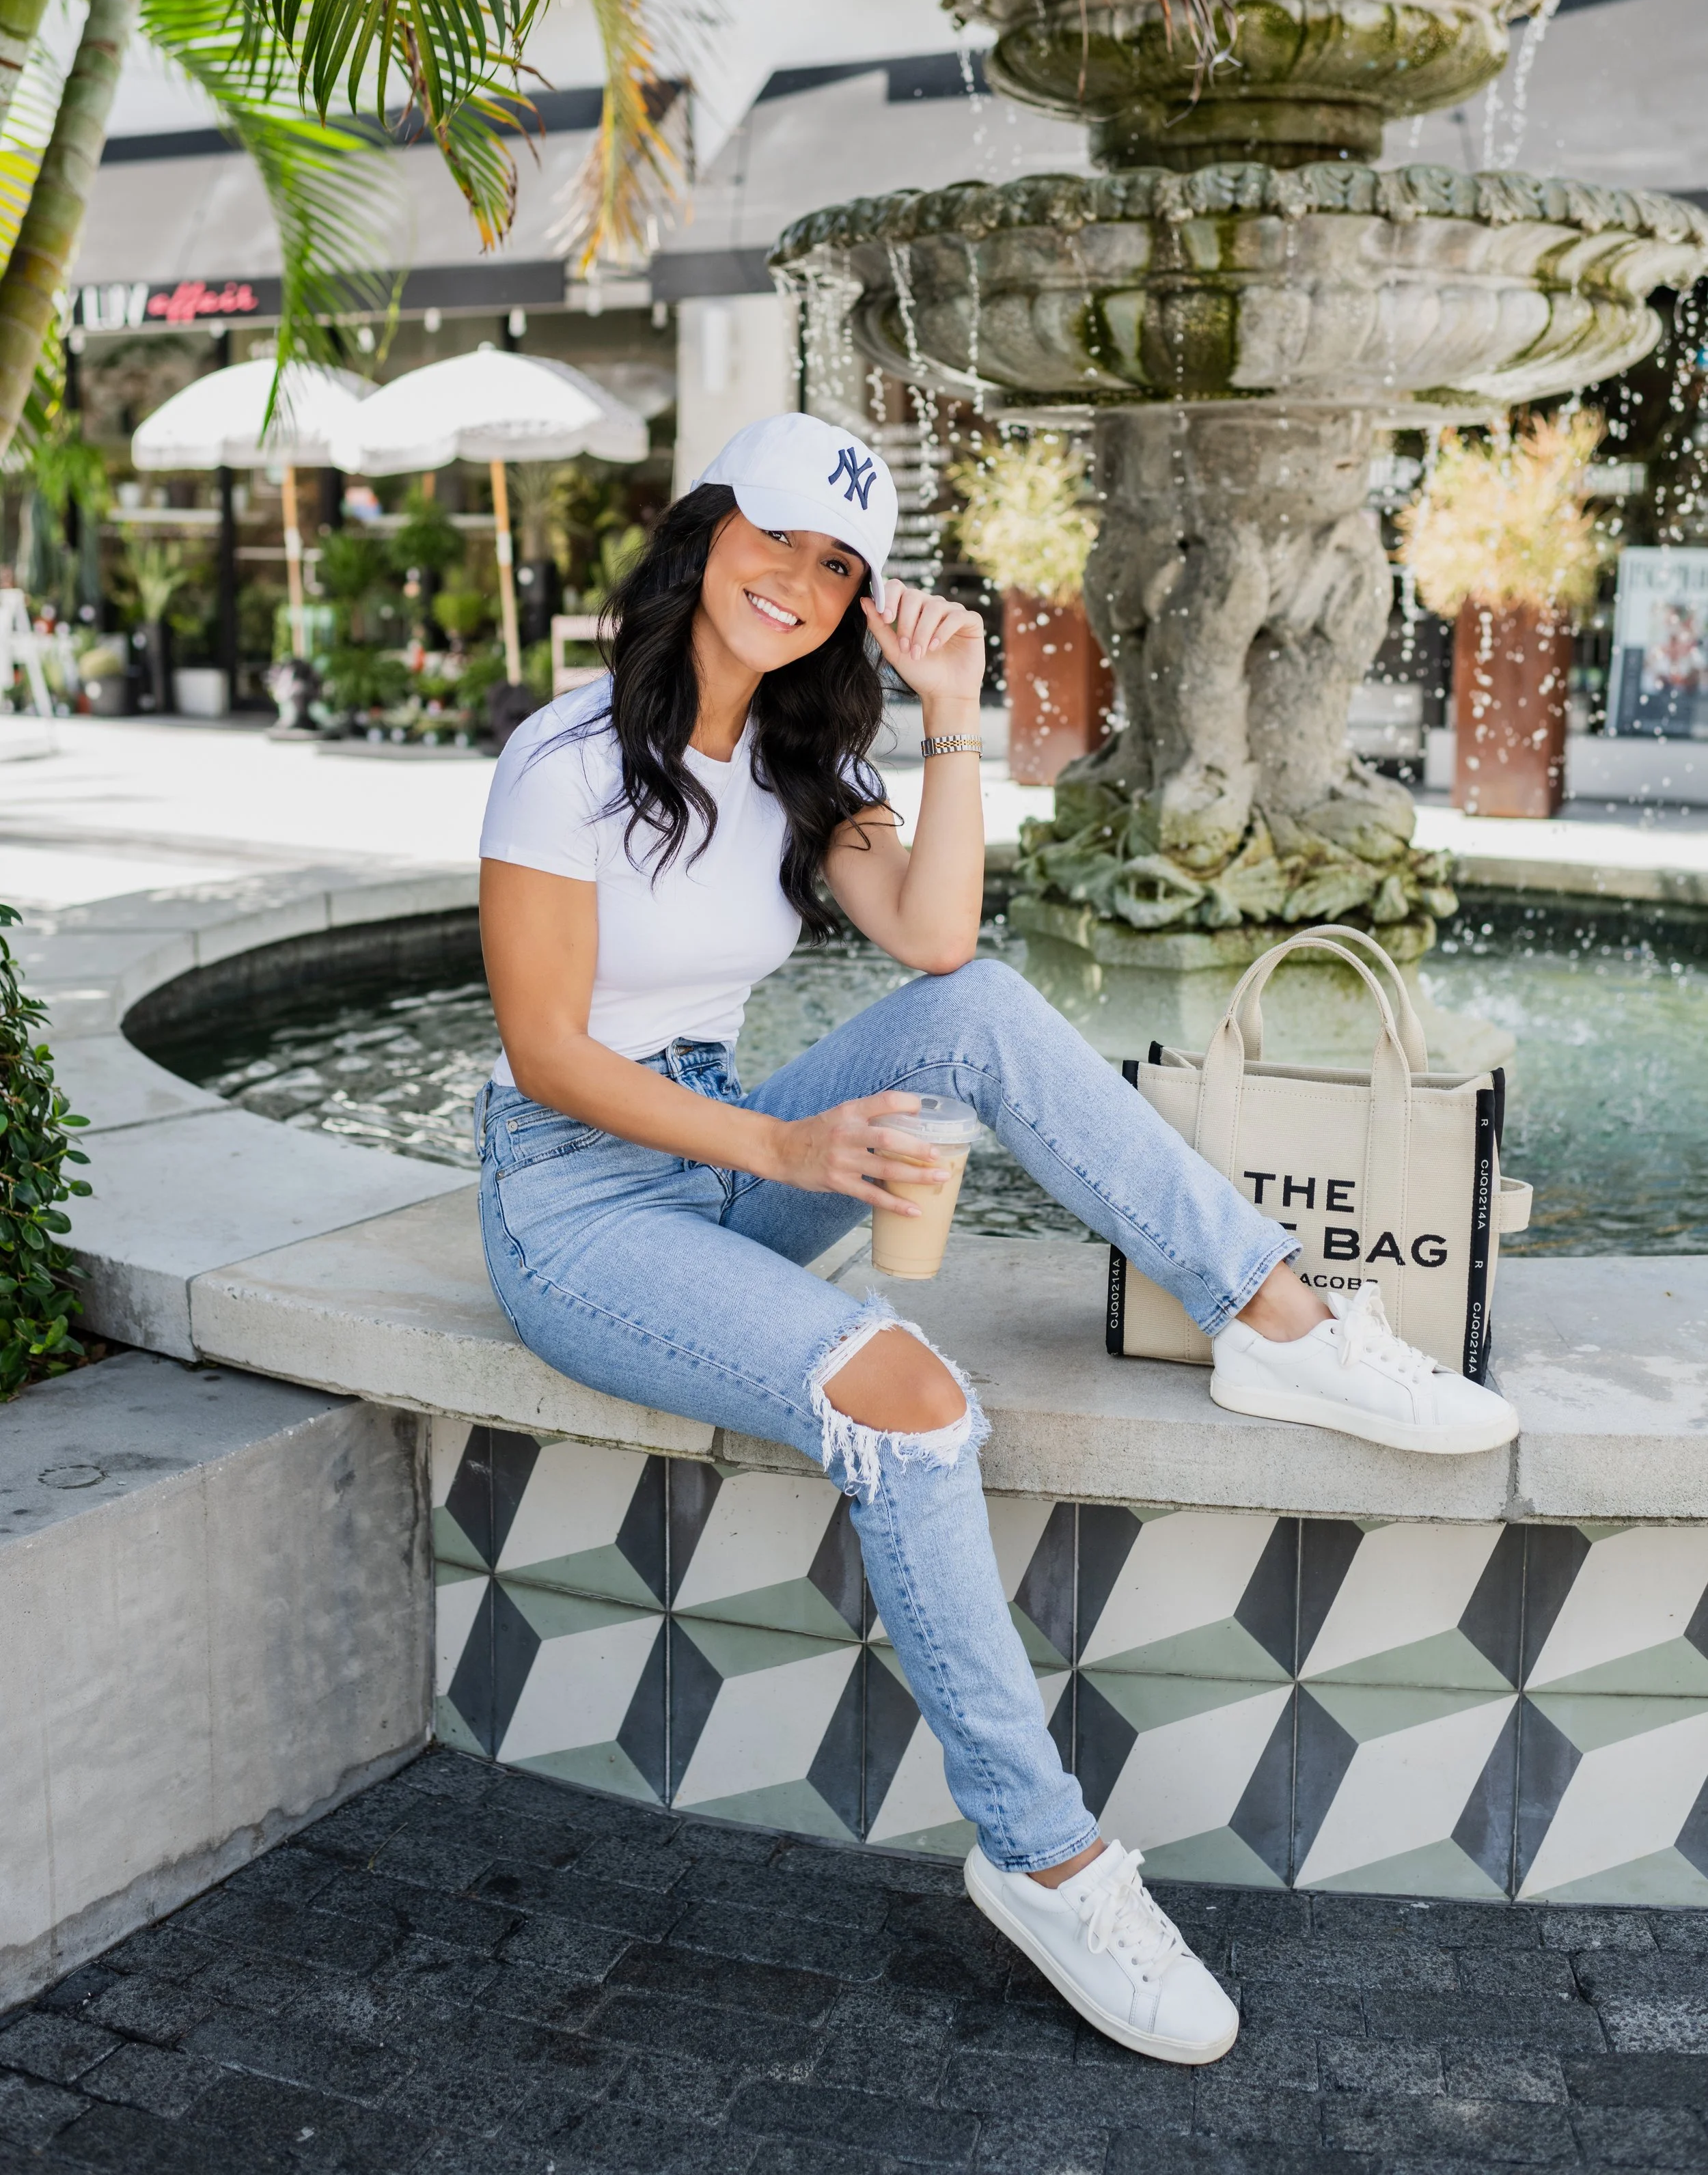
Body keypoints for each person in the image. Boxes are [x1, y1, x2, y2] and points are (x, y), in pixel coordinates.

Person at [476, 413, 1519, 2064]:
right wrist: (782, 1143)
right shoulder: (565, 760)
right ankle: (1048, 1860)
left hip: (716, 1147)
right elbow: (548, 1052)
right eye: (779, 542)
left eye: (838, 567)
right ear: (704, 536)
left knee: (979, 1006)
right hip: (578, 1196)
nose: (800, 583)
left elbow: (939, 942)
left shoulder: (800, 768)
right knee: (911, 1405)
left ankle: (1273, 1318)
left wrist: (953, 716)